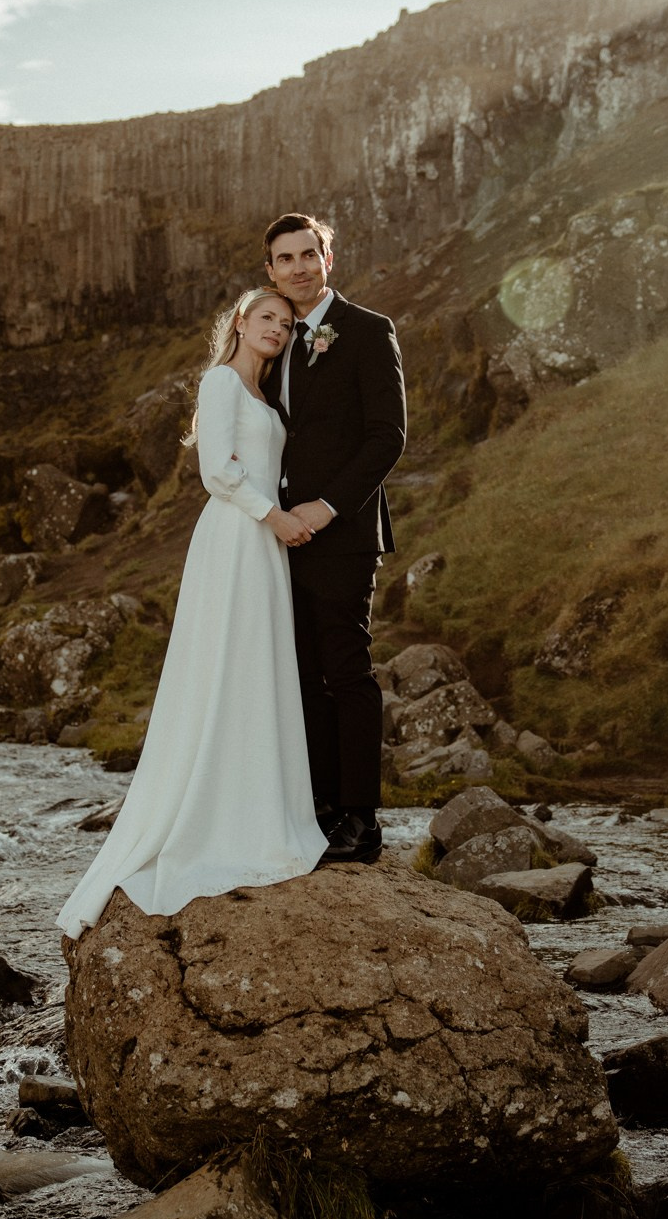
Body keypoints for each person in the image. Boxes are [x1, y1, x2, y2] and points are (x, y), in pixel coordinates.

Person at [57, 288, 327, 938]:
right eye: (267, 318)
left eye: (287, 325)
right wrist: (277, 517)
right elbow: (217, 472)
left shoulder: (266, 397)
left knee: (256, 668)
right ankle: (211, 817)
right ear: (240, 321)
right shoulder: (219, 382)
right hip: (238, 533)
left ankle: (258, 808)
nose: (277, 329)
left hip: (262, 538)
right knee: (226, 664)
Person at [264, 212, 406, 865]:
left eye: (307, 255)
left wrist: (323, 508)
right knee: (298, 674)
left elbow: (387, 437)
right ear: (270, 270)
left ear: (328, 258)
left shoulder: (369, 331)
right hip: (276, 539)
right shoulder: (270, 341)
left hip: (342, 531)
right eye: (284, 258)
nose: (297, 267)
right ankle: (319, 810)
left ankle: (362, 820)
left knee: (347, 669)